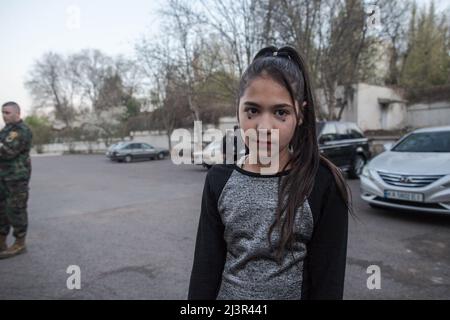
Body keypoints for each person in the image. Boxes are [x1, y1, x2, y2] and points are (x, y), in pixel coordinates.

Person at [188, 46, 351, 300]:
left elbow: (328, 281)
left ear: (300, 114)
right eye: (252, 110)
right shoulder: (219, 180)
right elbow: (205, 269)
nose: (264, 127)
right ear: (238, 110)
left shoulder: (322, 183)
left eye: (280, 112)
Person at [0, 101, 33, 259]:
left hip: (16, 178)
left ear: (17, 113)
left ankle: (20, 243)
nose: (4, 116)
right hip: (3, 177)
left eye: (7, 113)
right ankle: (1, 241)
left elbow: (7, 152)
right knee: (1, 210)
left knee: (16, 210)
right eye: (3, 113)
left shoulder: (22, 130)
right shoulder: (6, 130)